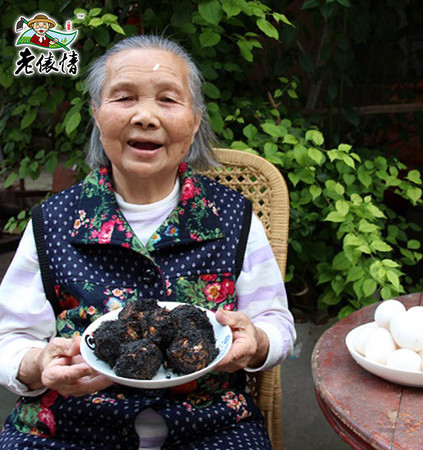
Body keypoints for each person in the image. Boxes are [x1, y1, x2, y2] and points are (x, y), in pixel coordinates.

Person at [0, 35, 296, 449]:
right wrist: (36, 364)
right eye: (123, 98)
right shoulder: (53, 221)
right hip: (70, 428)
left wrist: (258, 341)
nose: (145, 116)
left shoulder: (233, 217)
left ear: (194, 120)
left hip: (212, 428)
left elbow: (276, 323)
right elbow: (9, 337)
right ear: (96, 115)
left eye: (168, 100)